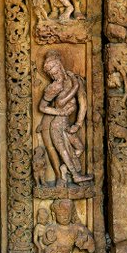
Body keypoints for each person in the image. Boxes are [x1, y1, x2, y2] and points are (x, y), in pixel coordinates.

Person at [38, 50, 92, 185]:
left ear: (60, 66)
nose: (54, 75)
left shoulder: (72, 79)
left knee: (79, 147)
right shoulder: (54, 87)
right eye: (51, 74)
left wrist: (78, 124)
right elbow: (42, 107)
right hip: (56, 124)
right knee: (63, 151)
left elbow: (83, 104)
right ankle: (75, 175)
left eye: (55, 71)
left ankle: (64, 168)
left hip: (66, 124)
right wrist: (59, 112)